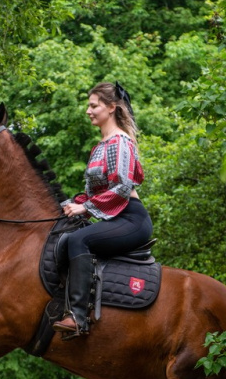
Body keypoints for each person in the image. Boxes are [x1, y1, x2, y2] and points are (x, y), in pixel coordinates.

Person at [52, 82, 153, 338]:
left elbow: (121, 188)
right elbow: (93, 193)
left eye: (93, 105)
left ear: (111, 108)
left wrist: (84, 207)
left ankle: (77, 318)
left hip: (132, 219)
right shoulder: (100, 145)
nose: (88, 110)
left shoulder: (120, 142)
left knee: (79, 240)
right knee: (63, 237)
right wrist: (66, 206)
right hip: (114, 216)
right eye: (89, 105)